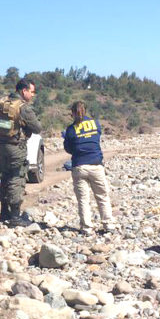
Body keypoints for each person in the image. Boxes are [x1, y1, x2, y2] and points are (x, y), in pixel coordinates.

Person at [0, 78, 41, 226]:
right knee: (17, 178)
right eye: (32, 92)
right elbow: (37, 128)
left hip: (0, 145)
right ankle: (15, 217)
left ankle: (4, 213)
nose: (33, 95)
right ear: (24, 91)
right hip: (16, 147)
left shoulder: (0, 103)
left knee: (5, 177)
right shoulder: (23, 107)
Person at [63, 100, 114, 233]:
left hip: (79, 166)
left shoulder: (70, 129)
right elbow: (96, 139)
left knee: (83, 200)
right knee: (102, 196)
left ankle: (86, 228)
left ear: (72, 113)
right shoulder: (95, 124)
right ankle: (108, 225)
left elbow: (68, 149)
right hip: (96, 165)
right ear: (85, 111)